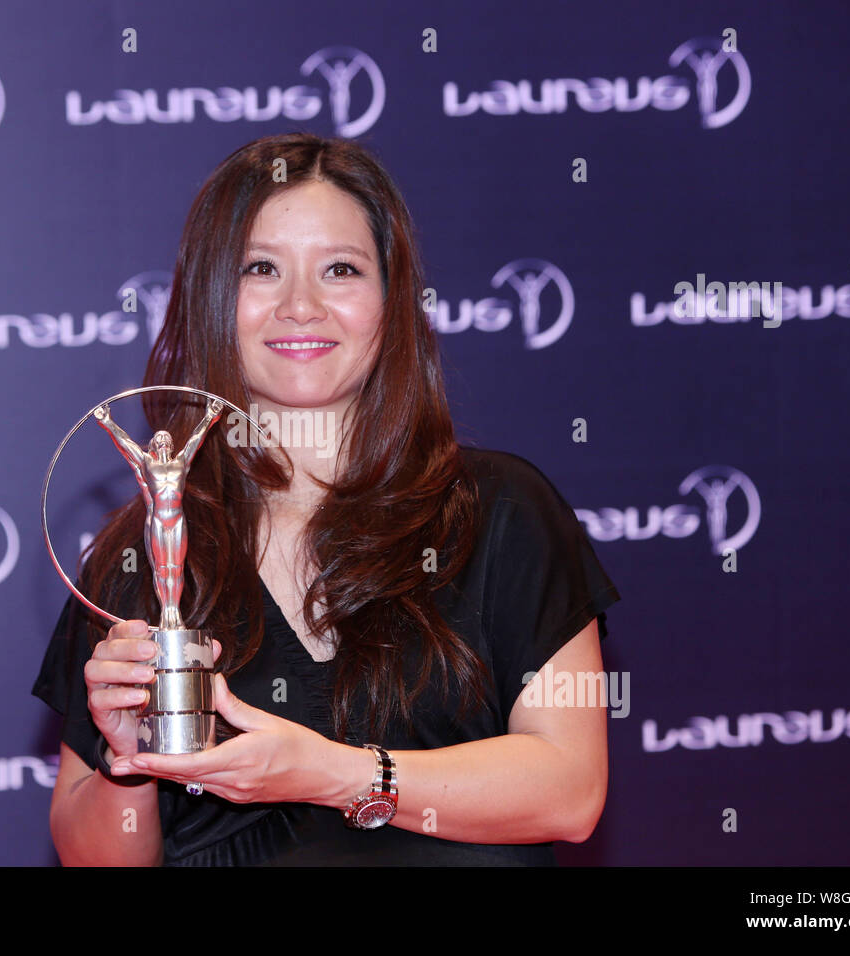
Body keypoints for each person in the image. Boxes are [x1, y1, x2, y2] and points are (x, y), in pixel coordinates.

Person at [32, 131, 621, 866]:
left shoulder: (501, 511)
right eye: (261, 269)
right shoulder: (143, 552)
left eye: (340, 269)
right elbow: (101, 857)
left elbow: (569, 793)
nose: (300, 306)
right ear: (212, 298)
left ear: (390, 299)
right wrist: (130, 759)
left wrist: (333, 774)